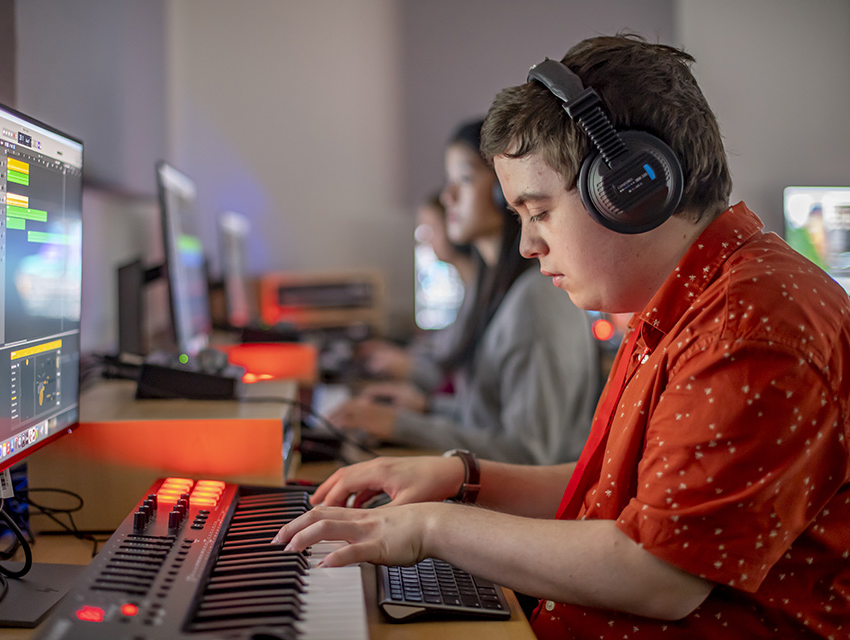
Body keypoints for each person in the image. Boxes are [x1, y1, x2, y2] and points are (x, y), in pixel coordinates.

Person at [275, 34, 850, 638]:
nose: (527, 245)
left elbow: (658, 573)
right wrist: (461, 479)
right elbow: (613, 495)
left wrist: (429, 528)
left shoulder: (746, 329)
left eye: (540, 211)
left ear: (632, 189)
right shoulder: (691, 299)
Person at [330, 119, 602, 465]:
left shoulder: (535, 301)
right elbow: (487, 414)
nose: (448, 197)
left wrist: (401, 425)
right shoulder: (492, 286)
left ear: (505, 189)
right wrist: (427, 408)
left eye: (464, 179)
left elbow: (530, 454)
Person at [356, 191, 476, 390]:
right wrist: (400, 355)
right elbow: (441, 351)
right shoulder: (469, 290)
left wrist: (407, 367)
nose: (425, 241)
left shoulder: (478, 294)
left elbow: (458, 383)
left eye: (430, 230)